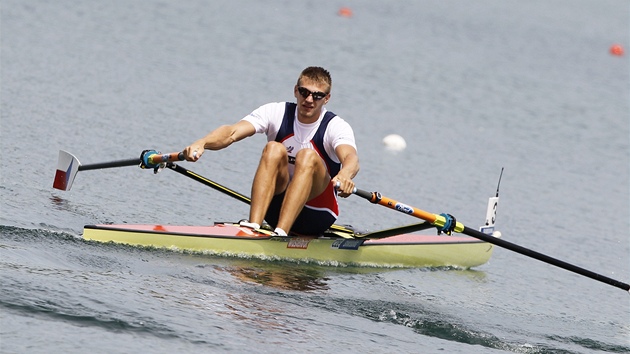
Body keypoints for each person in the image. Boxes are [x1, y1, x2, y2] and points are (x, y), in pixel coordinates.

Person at [182, 66, 359, 236]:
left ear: (326, 98)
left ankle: (281, 233)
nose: (309, 100)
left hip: (316, 214)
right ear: (295, 91)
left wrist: (345, 175)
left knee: (307, 156)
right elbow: (232, 132)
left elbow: (351, 158)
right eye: (304, 92)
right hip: (274, 210)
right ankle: (254, 226)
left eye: (317, 95)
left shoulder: (335, 126)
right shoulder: (276, 112)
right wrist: (202, 142)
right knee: (273, 148)